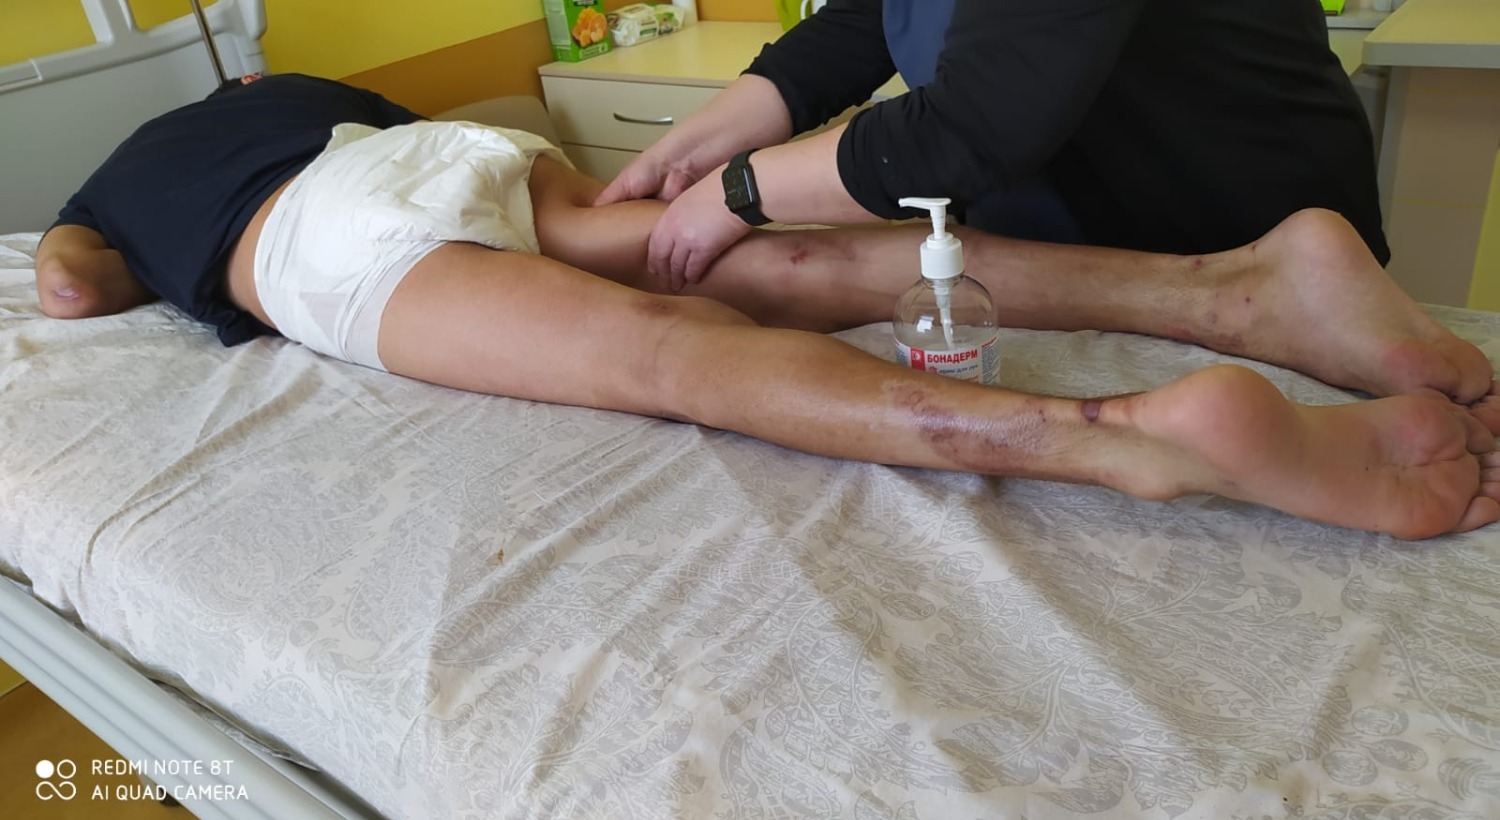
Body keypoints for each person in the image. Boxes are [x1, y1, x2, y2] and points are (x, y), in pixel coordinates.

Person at [34, 73, 1500, 540]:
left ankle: (1123, 436)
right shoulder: (297, 90)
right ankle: (1235, 292)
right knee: (774, 262)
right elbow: (442, 147)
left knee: (667, 353)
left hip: (317, 233)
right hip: (440, 155)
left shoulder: (120, 166)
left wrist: (97, 230)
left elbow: (67, 284)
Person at [596, 0, 1391, 291]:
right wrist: (689, 151)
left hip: (1232, 225)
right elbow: (865, 19)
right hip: (1071, 238)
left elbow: (974, 124)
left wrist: (740, 191)